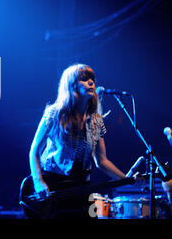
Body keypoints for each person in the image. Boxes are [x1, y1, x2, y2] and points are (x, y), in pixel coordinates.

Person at [28, 63, 143, 218]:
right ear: (71, 84)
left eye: (92, 79)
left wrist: (127, 180)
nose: (91, 82)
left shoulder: (96, 120)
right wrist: (38, 181)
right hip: (53, 184)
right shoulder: (54, 113)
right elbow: (34, 150)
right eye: (84, 79)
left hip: (81, 187)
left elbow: (101, 161)